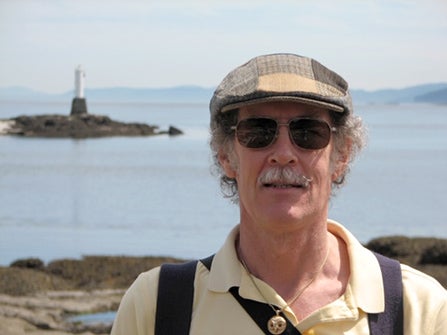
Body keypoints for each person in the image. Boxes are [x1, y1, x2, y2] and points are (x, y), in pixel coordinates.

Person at [111, 53, 446, 335]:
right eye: (258, 131)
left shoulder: (419, 310)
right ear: (226, 155)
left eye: (308, 132)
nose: (283, 152)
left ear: (341, 155)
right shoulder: (156, 308)